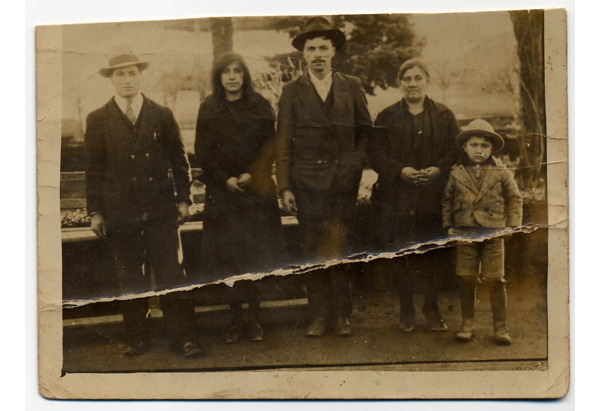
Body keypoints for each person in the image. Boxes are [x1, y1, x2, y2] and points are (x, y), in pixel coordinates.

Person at [84, 53, 203, 357]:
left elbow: (180, 161)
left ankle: (184, 337)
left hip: (160, 212)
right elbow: (93, 169)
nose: (127, 80)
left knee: (172, 274)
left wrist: (184, 199)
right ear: (112, 79)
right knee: (129, 276)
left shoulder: (161, 114)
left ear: (140, 76)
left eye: (132, 73)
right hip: (120, 214)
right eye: (120, 74)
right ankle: (137, 338)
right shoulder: (98, 118)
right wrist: (96, 211)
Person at [276, 17, 372, 337]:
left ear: (334, 51)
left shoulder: (351, 85)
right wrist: (285, 186)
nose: (317, 54)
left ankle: (342, 315)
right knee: (312, 249)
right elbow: (283, 141)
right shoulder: (291, 90)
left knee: (340, 247)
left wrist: (353, 168)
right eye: (311, 48)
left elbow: (365, 134)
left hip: (342, 183)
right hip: (306, 184)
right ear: (303, 55)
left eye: (323, 48)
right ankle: (317, 316)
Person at [195, 51, 287, 343]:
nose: (232, 76)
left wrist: (251, 174)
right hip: (224, 196)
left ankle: (255, 319)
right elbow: (203, 151)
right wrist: (226, 179)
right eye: (226, 72)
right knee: (228, 259)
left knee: (255, 257)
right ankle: (235, 320)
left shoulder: (259, 105)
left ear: (245, 75)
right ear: (218, 77)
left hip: (256, 193)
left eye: (237, 71)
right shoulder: (208, 107)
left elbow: (271, 144)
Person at [368, 58, 461, 332]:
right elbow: (375, 154)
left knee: (432, 254)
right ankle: (406, 311)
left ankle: (431, 309)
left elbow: (455, 150)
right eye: (407, 79)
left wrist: (438, 169)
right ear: (400, 83)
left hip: (433, 197)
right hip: (397, 198)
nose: (412, 84)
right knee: (402, 254)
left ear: (427, 81)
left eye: (418, 78)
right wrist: (401, 170)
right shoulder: (386, 117)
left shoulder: (444, 115)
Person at [442, 119, 523, 345]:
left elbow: (514, 199)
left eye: (484, 146)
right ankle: (467, 323)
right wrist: (448, 225)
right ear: (465, 147)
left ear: (492, 149)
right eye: (474, 145)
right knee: (466, 278)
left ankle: (501, 328)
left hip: (493, 233)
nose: (479, 150)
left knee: (495, 279)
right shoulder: (456, 173)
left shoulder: (501, 172)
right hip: (465, 231)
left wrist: (512, 225)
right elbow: (447, 200)